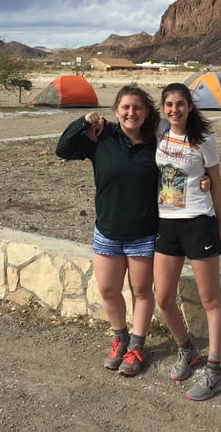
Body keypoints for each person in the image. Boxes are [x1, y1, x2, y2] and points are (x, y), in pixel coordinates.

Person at [55, 85, 160, 377]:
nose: (131, 113)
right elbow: (62, 149)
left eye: (137, 107)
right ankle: (119, 338)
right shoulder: (101, 140)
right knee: (108, 290)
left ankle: (137, 346)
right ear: (116, 111)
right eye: (125, 107)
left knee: (141, 291)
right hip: (107, 232)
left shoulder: (157, 144)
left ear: (146, 112)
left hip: (143, 233)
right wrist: (85, 121)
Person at [154, 82, 221, 401]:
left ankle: (215, 371)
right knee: (163, 298)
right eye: (169, 104)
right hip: (166, 224)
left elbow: (217, 186)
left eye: (180, 104)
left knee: (210, 299)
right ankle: (187, 350)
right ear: (162, 108)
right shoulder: (158, 134)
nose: (175, 109)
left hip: (199, 222)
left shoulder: (203, 140)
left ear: (190, 107)